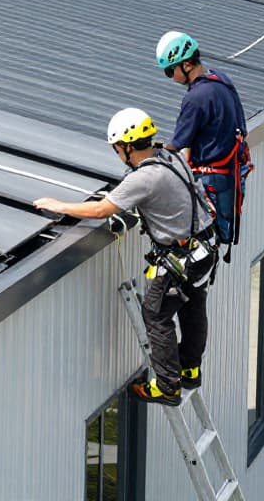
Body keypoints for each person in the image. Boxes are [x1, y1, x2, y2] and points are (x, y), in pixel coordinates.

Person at [34, 108, 216, 406]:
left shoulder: (144, 178)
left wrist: (59, 204)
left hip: (180, 258)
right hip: (204, 250)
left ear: (128, 147)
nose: (117, 153)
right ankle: (190, 369)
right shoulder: (171, 157)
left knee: (155, 314)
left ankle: (168, 386)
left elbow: (100, 210)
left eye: (117, 148)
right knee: (193, 307)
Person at [158, 31, 252, 254]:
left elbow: (177, 143)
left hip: (211, 179)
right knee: (211, 240)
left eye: (171, 71)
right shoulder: (220, 79)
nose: (171, 77)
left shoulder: (196, 97)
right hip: (229, 174)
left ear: (187, 64)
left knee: (195, 243)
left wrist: (151, 154)